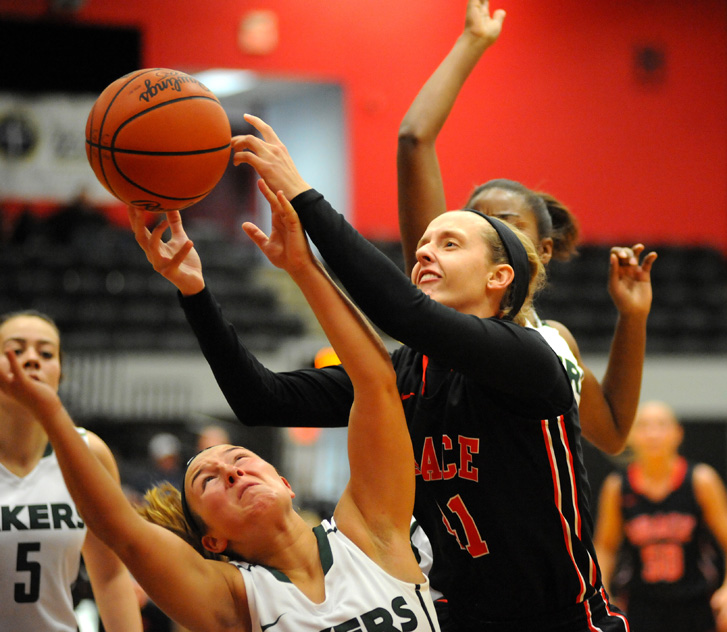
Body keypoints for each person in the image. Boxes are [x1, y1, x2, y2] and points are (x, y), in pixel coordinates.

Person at [129, 112, 630, 632]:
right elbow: (262, 400)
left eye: (450, 244)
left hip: (564, 620)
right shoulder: (406, 374)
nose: (425, 253)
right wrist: (194, 291)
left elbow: (402, 310)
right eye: (423, 247)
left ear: (499, 277)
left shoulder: (529, 358)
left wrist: (301, 192)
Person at [0, 185, 440, 632]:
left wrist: (303, 267)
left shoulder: (369, 533)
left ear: (286, 483)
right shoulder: (233, 599)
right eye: (208, 481)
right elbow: (120, 532)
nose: (231, 472)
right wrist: (50, 412)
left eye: (240, 458)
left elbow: (377, 383)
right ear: (212, 539)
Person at [397, 0, 657, 456]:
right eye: (478, 221)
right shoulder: (441, 310)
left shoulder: (554, 341)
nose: (490, 230)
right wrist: (471, 43)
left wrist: (632, 319)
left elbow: (614, 432)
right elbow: (414, 140)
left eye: (507, 223)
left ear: (544, 250)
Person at [0, 310, 143, 631]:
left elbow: (110, 574)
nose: (32, 359)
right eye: (16, 349)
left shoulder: (88, 453)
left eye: (46, 353)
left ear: (60, 372)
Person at [593, 401, 727, 632]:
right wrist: (603, 595)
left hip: (695, 604)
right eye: (644, 426)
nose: (653, 433)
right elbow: (605, 547)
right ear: (631, 436)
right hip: (640, 606)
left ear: (678, 434)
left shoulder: (701, 480)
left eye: (661, 425)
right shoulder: (617, 487)